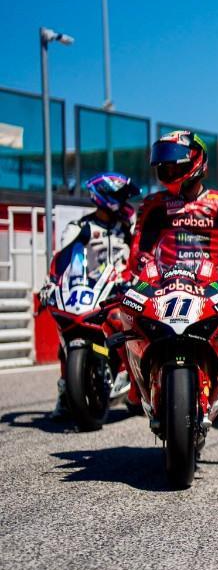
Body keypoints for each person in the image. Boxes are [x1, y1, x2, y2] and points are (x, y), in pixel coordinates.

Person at [129, 131, 218, 468]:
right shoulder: (153, 204)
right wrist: (148, 272)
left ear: (195, 160)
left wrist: (217, 275)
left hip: (211, 290)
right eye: (162, 158)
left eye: (173, 157)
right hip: (164, 288)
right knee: (126, 319)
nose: (165, 164)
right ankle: (136, 389)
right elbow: (139, 253)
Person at [39, 172, 139, 418]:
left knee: (123, 323)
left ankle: (136, 382)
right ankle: (65, 392)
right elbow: (61, 258)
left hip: (121, 290)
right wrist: (50, 283)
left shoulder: (127, 227)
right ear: (104, 197)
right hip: (89, 291)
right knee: (66, 333)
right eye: (120, 196)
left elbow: (140, 255)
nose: (124, 202)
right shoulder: (80, 228)